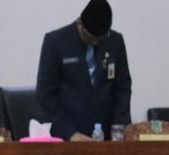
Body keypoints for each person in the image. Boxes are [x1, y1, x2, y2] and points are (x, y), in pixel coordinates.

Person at [36, 0, 132, 141]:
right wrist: (69, 133)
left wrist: (119, 127)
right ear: (80, 24)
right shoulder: (55, 42)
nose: (94, 42)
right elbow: (45, 96)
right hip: (68, 136)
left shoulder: (115, 41)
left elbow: (123, 87)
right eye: (89, 38)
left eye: (99, 39)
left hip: (107, 137)